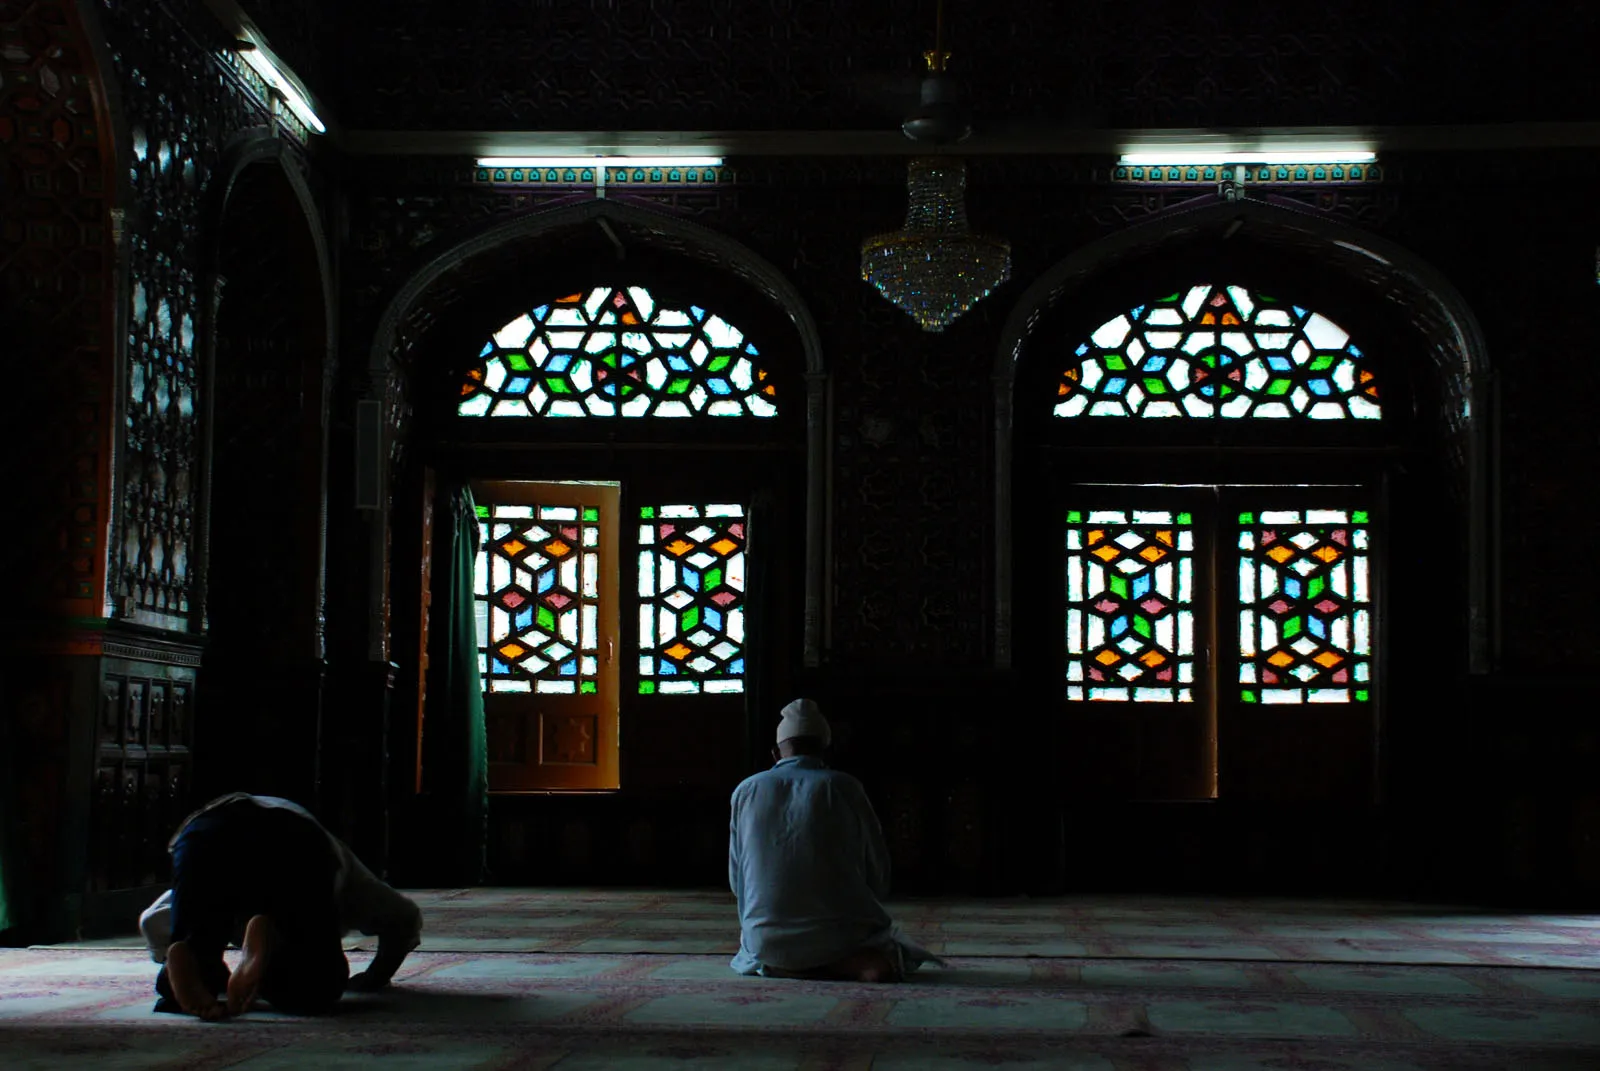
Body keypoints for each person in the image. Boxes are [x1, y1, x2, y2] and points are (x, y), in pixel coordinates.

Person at [139, 792, 423, 1019]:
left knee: (195, 958)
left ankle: (191, 967)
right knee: (316, 988)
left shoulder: (211, 829)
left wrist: (180, 946)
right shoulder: (346, 870)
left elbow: (151, 920)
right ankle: (268, 940)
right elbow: (403, 917)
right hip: (291, 840)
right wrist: (377, 975)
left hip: (200, 837)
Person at [728, 698, 940, 981]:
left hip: (766, 940)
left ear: (775, 753)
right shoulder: (843, 786)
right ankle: (841, 964)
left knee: (758, 945)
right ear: (824, 750)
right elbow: (878, 874)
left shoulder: (746, 790)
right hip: (839, 938)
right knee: (891, 949)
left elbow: (736, 879)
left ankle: (786, 964)